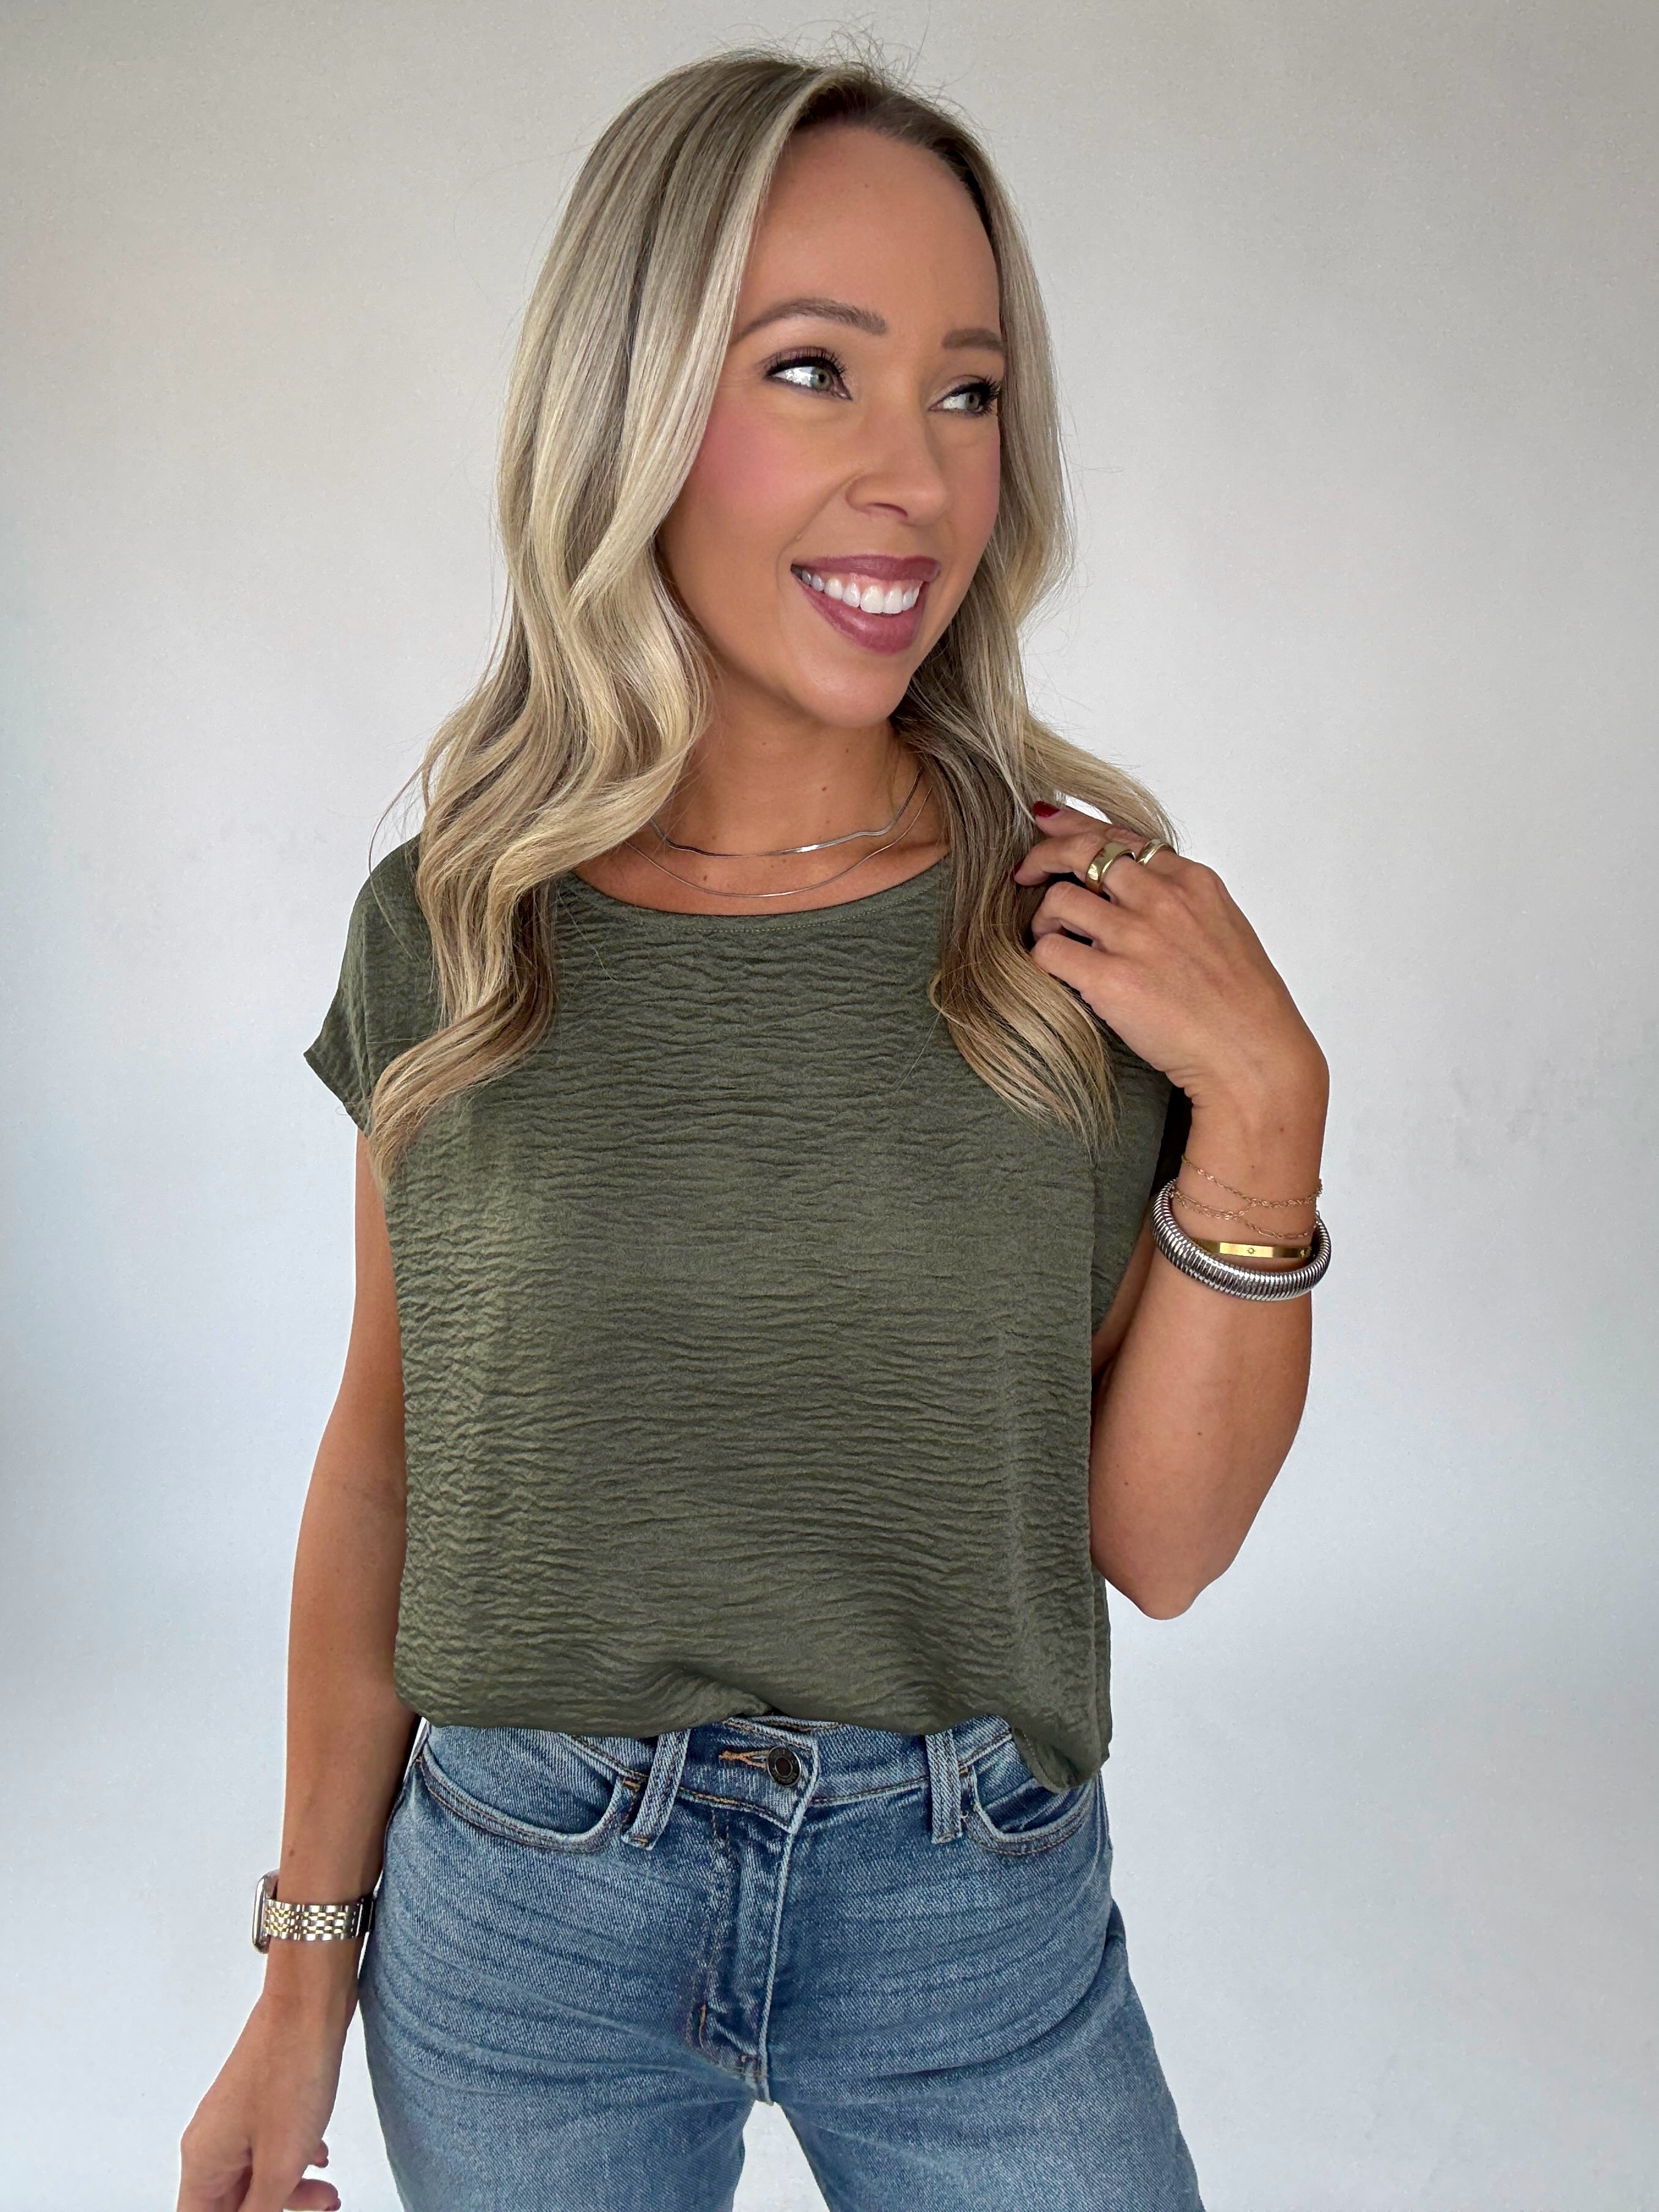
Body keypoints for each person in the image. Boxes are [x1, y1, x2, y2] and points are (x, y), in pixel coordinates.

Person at [178, 45, 1329, 2212]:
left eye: (968, 393)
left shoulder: (1071, 926)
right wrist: (298, 1979)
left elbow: (1160, 1545)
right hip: (524, 1913)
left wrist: (1268, 1102)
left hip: (971, 1913)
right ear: (627, 407)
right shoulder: (458, 923)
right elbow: (388, 1456)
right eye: (814, 371)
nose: (917, 474)